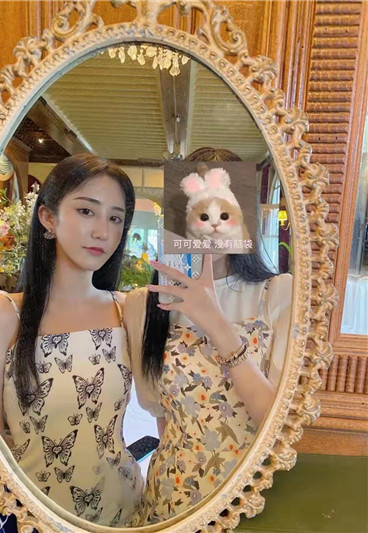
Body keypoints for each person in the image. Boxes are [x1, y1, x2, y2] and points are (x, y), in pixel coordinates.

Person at [124, 147, 292, 523]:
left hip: (250, 499)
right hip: (171, 497)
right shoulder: (143, 305)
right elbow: (161, 416)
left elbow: (278, 425)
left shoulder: (277, 293)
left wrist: (215, 322)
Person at [0, 154, 143, 527]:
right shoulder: (3, 313)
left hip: (124, 512)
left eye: (115, 218)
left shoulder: (126, 308)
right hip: (33, 516)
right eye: (86, 211)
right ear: (48, 218)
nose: (102, 231)